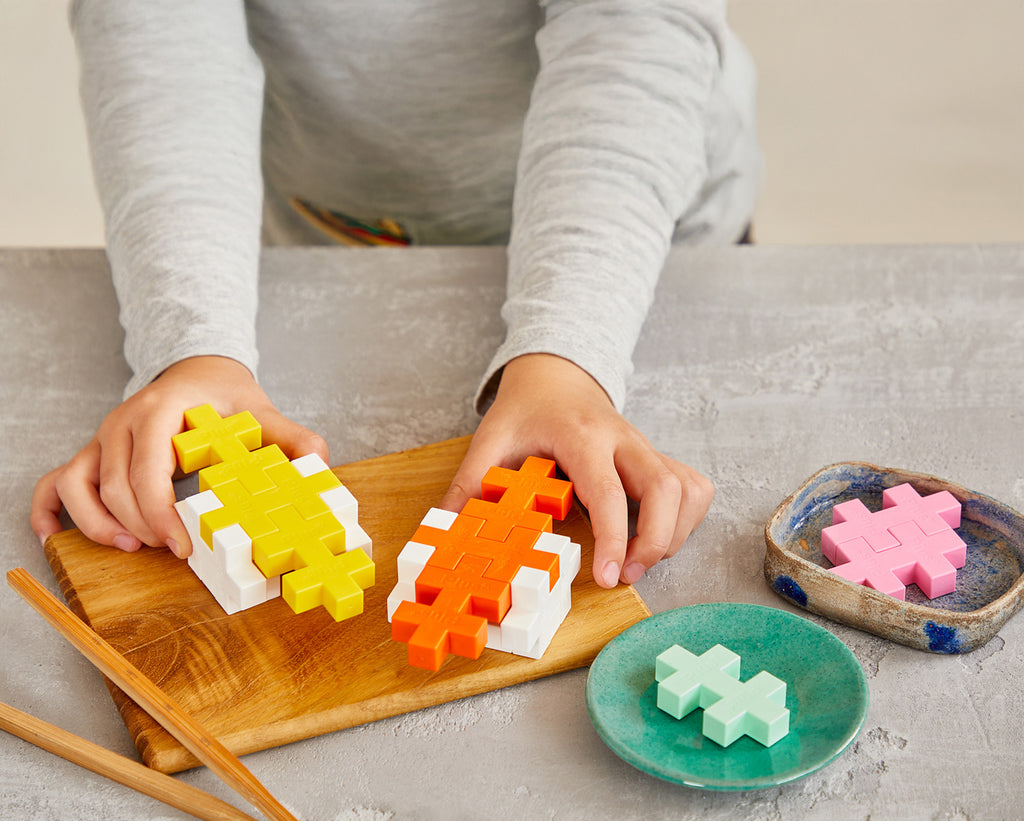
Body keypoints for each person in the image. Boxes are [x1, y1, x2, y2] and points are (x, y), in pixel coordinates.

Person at [32, 0, 760, 589]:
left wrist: (569, 356)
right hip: (336, 233)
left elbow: (633, 35)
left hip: (624, 240)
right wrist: (191, 347)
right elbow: (161, 50)